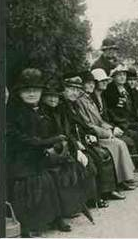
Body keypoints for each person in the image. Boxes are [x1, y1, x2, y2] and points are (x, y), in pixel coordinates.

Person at [6, 69, 80, 236]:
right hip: (19, 157)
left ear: (41, 92)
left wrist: (56, 143)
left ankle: (57, 215)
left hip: (38, 154)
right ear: (19, 93)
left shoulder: (41, 111)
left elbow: (52, 133)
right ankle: (30, 223)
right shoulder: (12, 112)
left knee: (63, 168)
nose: (32, 93)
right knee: (35, 179)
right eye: (27, 90)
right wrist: (47, 143)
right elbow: (20, 140)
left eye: (36, 90)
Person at [65, 73, 137, 192]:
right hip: (92, 135)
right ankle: (120, 181)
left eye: (93, 83)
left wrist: (110, 128)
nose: (91, 85)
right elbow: (87, 124)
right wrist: (107, 133)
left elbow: (100, 120)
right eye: (88, 83)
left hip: (96, 132)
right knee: (117, 144)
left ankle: (125, 178)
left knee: (120, 142)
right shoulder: (79, 101)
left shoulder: (89, 99)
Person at [40, 79, 100, 210]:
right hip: (52, 149)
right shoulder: (44, 113)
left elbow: (71, 129)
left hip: (66, 145)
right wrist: (75, 146)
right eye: (49, 96)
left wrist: (81, 140)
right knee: (78, 164)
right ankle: (75, 205)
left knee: (89, 160)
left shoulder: (62, 109)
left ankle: (89, 200)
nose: (53, 99)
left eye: (55, 96)